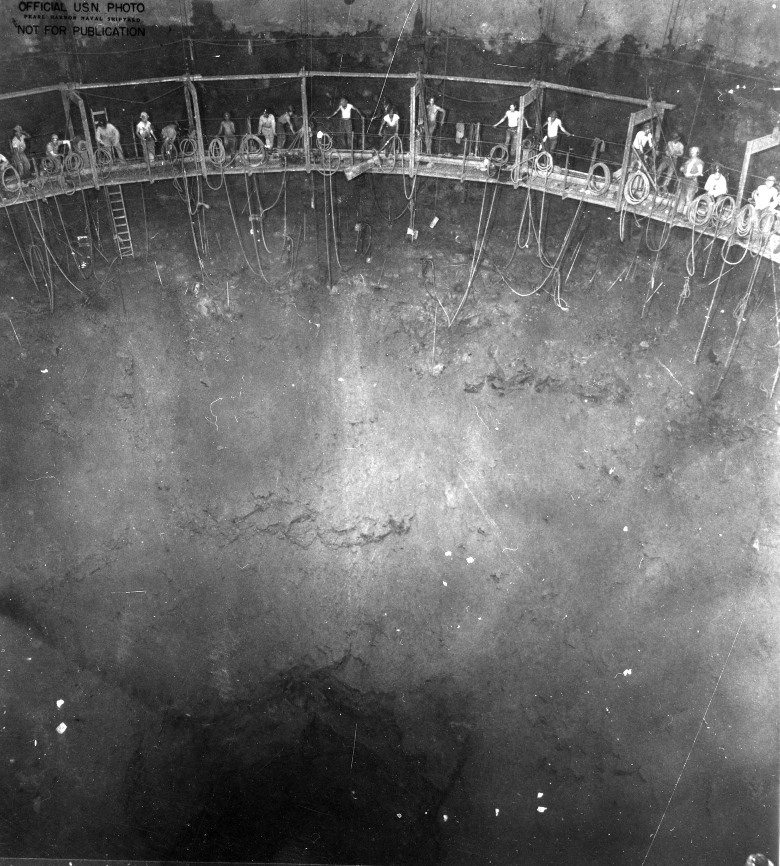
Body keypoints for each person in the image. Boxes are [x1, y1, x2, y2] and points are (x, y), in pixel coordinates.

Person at [679, 146, 703, 212]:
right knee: (682, 197)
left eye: (694, 152)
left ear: (697, 153)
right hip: (685, 180)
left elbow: (700, 172)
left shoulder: (699, 162)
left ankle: (685, 214)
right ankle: (679, 212)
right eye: (691, 151)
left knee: (689, 198)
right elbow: (683, 168)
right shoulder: (688, 161)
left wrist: (691, 175)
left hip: (692, 182)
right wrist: (682, 169)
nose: (692, 153)